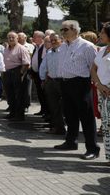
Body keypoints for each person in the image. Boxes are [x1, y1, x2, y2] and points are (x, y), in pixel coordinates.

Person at [55, 20, 99, 160]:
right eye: (62, 30)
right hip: (65, 83)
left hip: (80, 83)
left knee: (86, 117)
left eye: (65, 29)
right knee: (69, 115)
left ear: (75, 30)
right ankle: (71, 142)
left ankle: (92, 148)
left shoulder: (87, 46)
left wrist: (96, 84)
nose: (62, 32)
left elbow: (94, 67)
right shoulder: (63, 46)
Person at [91, 22, 110, 161]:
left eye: (103, 32)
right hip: (102, 92)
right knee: (106, 127)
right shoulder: (102, 50)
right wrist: (99, 84)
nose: (100, 35)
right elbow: (93, 69)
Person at [39, 33, 65, 135]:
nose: (53, 42)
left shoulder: (65, 52)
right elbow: (44, 67)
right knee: (53, 106)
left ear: (61, 40)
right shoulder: (49, 52)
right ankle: (58, 128)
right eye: (51, 40)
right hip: (51, 82)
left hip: (63, 82)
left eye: (55, 40)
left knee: (64, 106)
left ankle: (65, 127)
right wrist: (43, 80)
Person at [3, 31, 30, 121]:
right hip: (7, 73)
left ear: (17, 39)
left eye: (13, 37)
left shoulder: (22, 48)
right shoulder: (6, 49)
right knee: (10, 94)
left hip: (17, 72)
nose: (10, 39)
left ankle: (19, 115)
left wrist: (21, 74)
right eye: (9, 37)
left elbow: (26, 63)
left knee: (19, 95)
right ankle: (12, 112)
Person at [30, 31, 48, 117]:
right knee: (40, 94)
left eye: (35, 36)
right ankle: (43, 110)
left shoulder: (44, 47)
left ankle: (47, 112)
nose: (33, 38)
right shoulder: (36, 47)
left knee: (44, 94)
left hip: (43, 75)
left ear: (41, 38)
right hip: (37, 74)